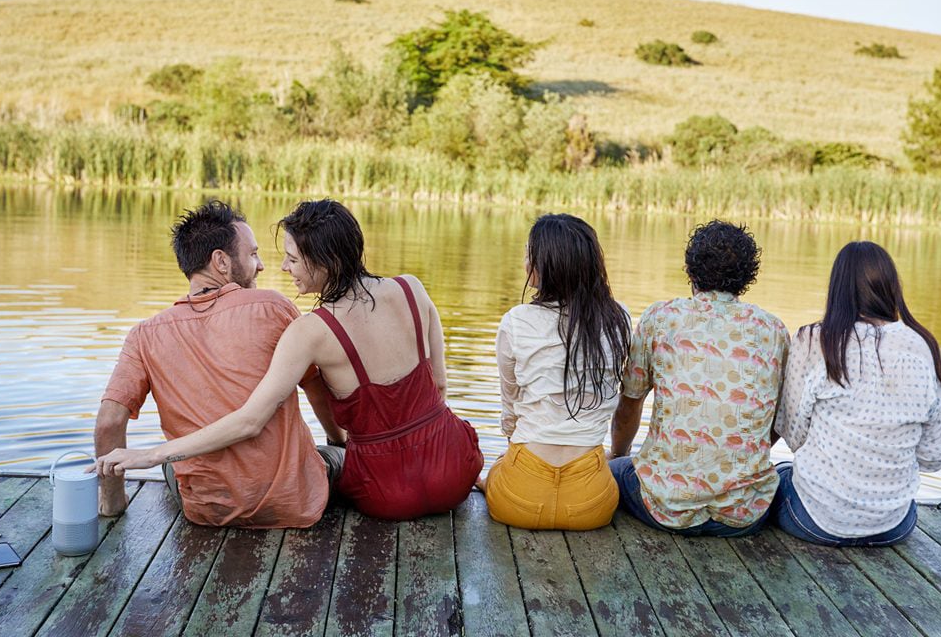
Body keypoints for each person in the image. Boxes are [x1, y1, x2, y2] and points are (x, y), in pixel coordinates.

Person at [95, 198, 483, 521]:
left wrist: (147, 458)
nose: (279, 268)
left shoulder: (310, 331)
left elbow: (248, 421)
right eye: (265, 255)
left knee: (178, 470)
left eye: (292, 259)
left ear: (324, 261)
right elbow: (440, 386)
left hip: (383, 494)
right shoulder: (410, 287)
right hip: (454, 470)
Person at [92, 200, 343, 529]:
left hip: (208, 512)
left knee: (173, 467)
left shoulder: (144, 335)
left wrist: (112, 502)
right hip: (292, 502)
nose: (262, 265)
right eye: (253, 254)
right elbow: (316, 389)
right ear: (221, 261)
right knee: (338, 455)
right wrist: (336, 440)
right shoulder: (274, 307)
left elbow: (109, 423)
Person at [610, 220, 789, 536]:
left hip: (664, 506)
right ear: (747, 277)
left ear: (690, 270)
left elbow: (629, 405)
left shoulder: (661, 318)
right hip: (744, 513)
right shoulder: (772, 330)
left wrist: (620, 454)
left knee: (612, 470)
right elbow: (775, 420)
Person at [772, 241, 941, 546]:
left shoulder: (815, 340)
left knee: (781, 473)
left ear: (837, 288)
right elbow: (934, 457)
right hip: (892, 526)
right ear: (891, 287)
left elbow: (795, 438)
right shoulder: (923, 347)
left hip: (816, 521)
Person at [484, 214, 631, 530]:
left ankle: (494, 480)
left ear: (547, 265)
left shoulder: (516, 321)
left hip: (517, 499)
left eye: (529, 255)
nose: (525, 262)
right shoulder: (619, 320)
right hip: (591, 506)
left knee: (497, 467)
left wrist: (516, 453)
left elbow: (510, 408)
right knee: (607, 462)